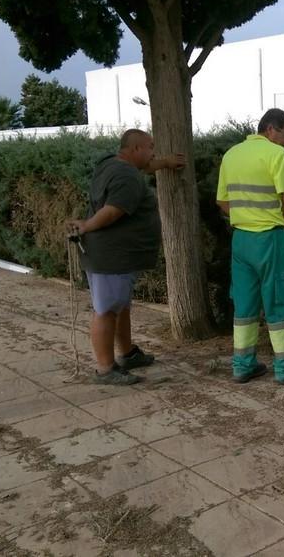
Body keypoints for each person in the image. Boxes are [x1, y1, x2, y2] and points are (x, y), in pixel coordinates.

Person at [68, 129, 185, 385]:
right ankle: (105, 370)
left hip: (115, 257)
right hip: (111, 257)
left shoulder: (112, 164)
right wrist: (87, 225)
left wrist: (165, 163)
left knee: (120, 307)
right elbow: (113, 211)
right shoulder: (127, 176)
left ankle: (127, 354)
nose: (153, 152)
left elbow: (143, 168)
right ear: (135, 149)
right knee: (107, 310)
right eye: (150, 147)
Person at [216, 108, 284, 385]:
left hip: (241, 239)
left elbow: (222, 202)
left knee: (244, 304)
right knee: (278, 301)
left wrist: (244, 217)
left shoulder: (231, 154)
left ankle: (242, 365)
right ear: (271, 129)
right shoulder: (277, 155)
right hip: (270, 237)